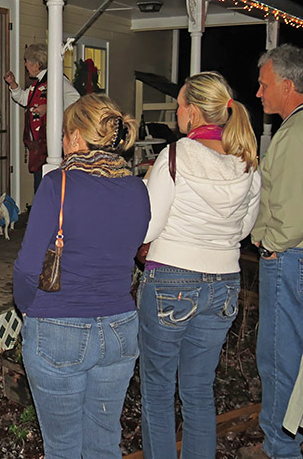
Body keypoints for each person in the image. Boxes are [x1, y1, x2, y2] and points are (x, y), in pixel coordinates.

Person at [13, 94, 150, 459]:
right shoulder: (138, 189)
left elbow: (27, 267)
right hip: (120, 328)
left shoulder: (58, 184)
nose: (60, 142)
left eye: (63, 134)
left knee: (63, 448)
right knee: (104, 442)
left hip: (60, 328)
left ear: (76, 138)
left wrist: (28, 309)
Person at [138, 71, 261, 459]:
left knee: (157, 390)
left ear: (192, 112)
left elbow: (150, 224)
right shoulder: (246, 162)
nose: (177, 113)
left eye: (179, 106)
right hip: (224, 283)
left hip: (172, 277)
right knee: (198, 391)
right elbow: (244, 227)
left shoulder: (175, 155)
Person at [247, 45, 303, 459]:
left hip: (289, 258)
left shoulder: (297, 134)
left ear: (288, 85)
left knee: (279, 355)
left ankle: (280, 447)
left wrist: (270, 244)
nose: (259, 93)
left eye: (265, 85)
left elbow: (293, 211)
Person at [4, 43, 80, 192]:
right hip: (39, 143)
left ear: (36, 64)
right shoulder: (39, 83)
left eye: (27, 61)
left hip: (50, 142)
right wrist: (13, 84)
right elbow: (25, 99)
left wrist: (50, 108)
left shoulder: (56, 79)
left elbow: (75, 99)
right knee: (39, 179)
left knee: (44, 183)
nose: (25, 65)